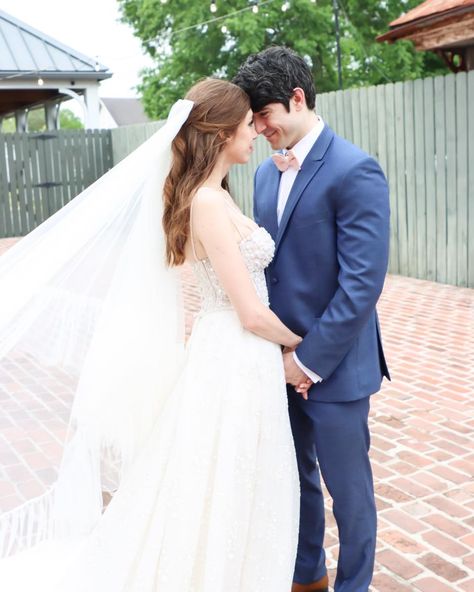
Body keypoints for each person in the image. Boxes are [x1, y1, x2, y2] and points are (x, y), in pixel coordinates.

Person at [0, 79, 302, 590]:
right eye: (248, 125)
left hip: (239, 353)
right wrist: (300, 345)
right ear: (222, 132)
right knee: (222, 473)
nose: (255, 132)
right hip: (233, 351)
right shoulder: (205, 202)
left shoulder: (218, 194)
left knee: (239, 472)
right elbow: (248, 312)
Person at [234, 46, 391, 592]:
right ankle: (308, 578)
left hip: (337, 367)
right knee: (295, 482)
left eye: (263, 115)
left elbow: (362, 284)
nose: (258, 128)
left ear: (296, 99)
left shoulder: (355, 169)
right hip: (276, 362)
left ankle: (355, 586)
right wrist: (277, 356)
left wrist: (306, 359)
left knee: (349, 494)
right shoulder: (259, 178)